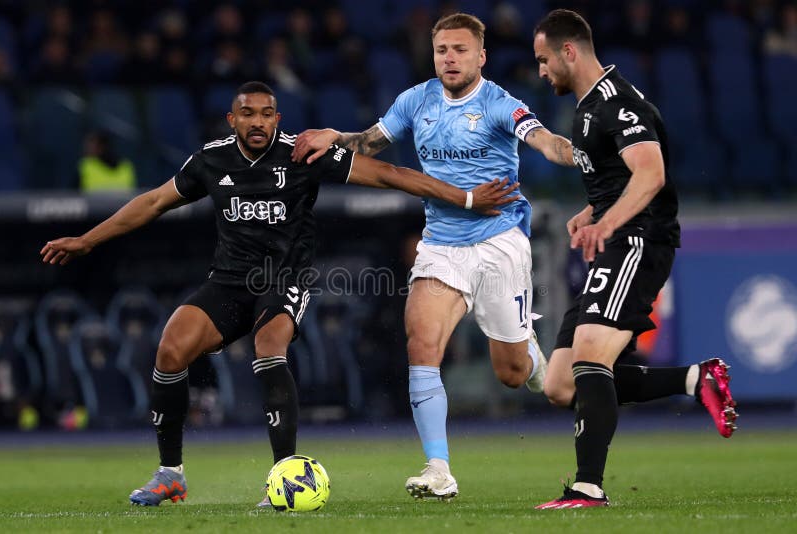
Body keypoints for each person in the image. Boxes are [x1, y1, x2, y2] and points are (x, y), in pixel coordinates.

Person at [40, 81, 519, 507]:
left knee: (268, 346)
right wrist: (85, 240)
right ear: (233, 119)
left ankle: (285, 472)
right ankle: (171, 474)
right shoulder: (212, 159)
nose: (258, 122)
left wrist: (468, 198)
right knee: (170, 350)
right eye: (248, 113)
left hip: (284, 278)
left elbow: (389, 175)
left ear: (277, 119)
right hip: (229, 281)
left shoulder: (302, 155)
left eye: (267, 114)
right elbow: (151, 203)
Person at [292, 13, 575, 500]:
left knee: (511, 375)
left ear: (481, 57)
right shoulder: (415, 100)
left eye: (461, 50)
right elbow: (370, 142)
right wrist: (334, 137)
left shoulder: (500, 104)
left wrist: (572, 151)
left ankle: (528, 352)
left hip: (499, 242)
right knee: (421, 342)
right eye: (443, 49)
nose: (450, 57)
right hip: (441, 244)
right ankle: (438, 468)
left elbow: (542, 138)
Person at [531, 9, 736, 509]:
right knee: (560, 383)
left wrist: (607, 223)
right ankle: (696, 378)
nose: (541, 71)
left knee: (590, 356)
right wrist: (590, 213)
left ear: (569, 51)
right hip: (616, 236)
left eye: (543, 60)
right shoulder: (585, 108)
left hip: (639, 240)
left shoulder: (616, 103)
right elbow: (616, 180)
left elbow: (650, 174)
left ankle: (587, 487)